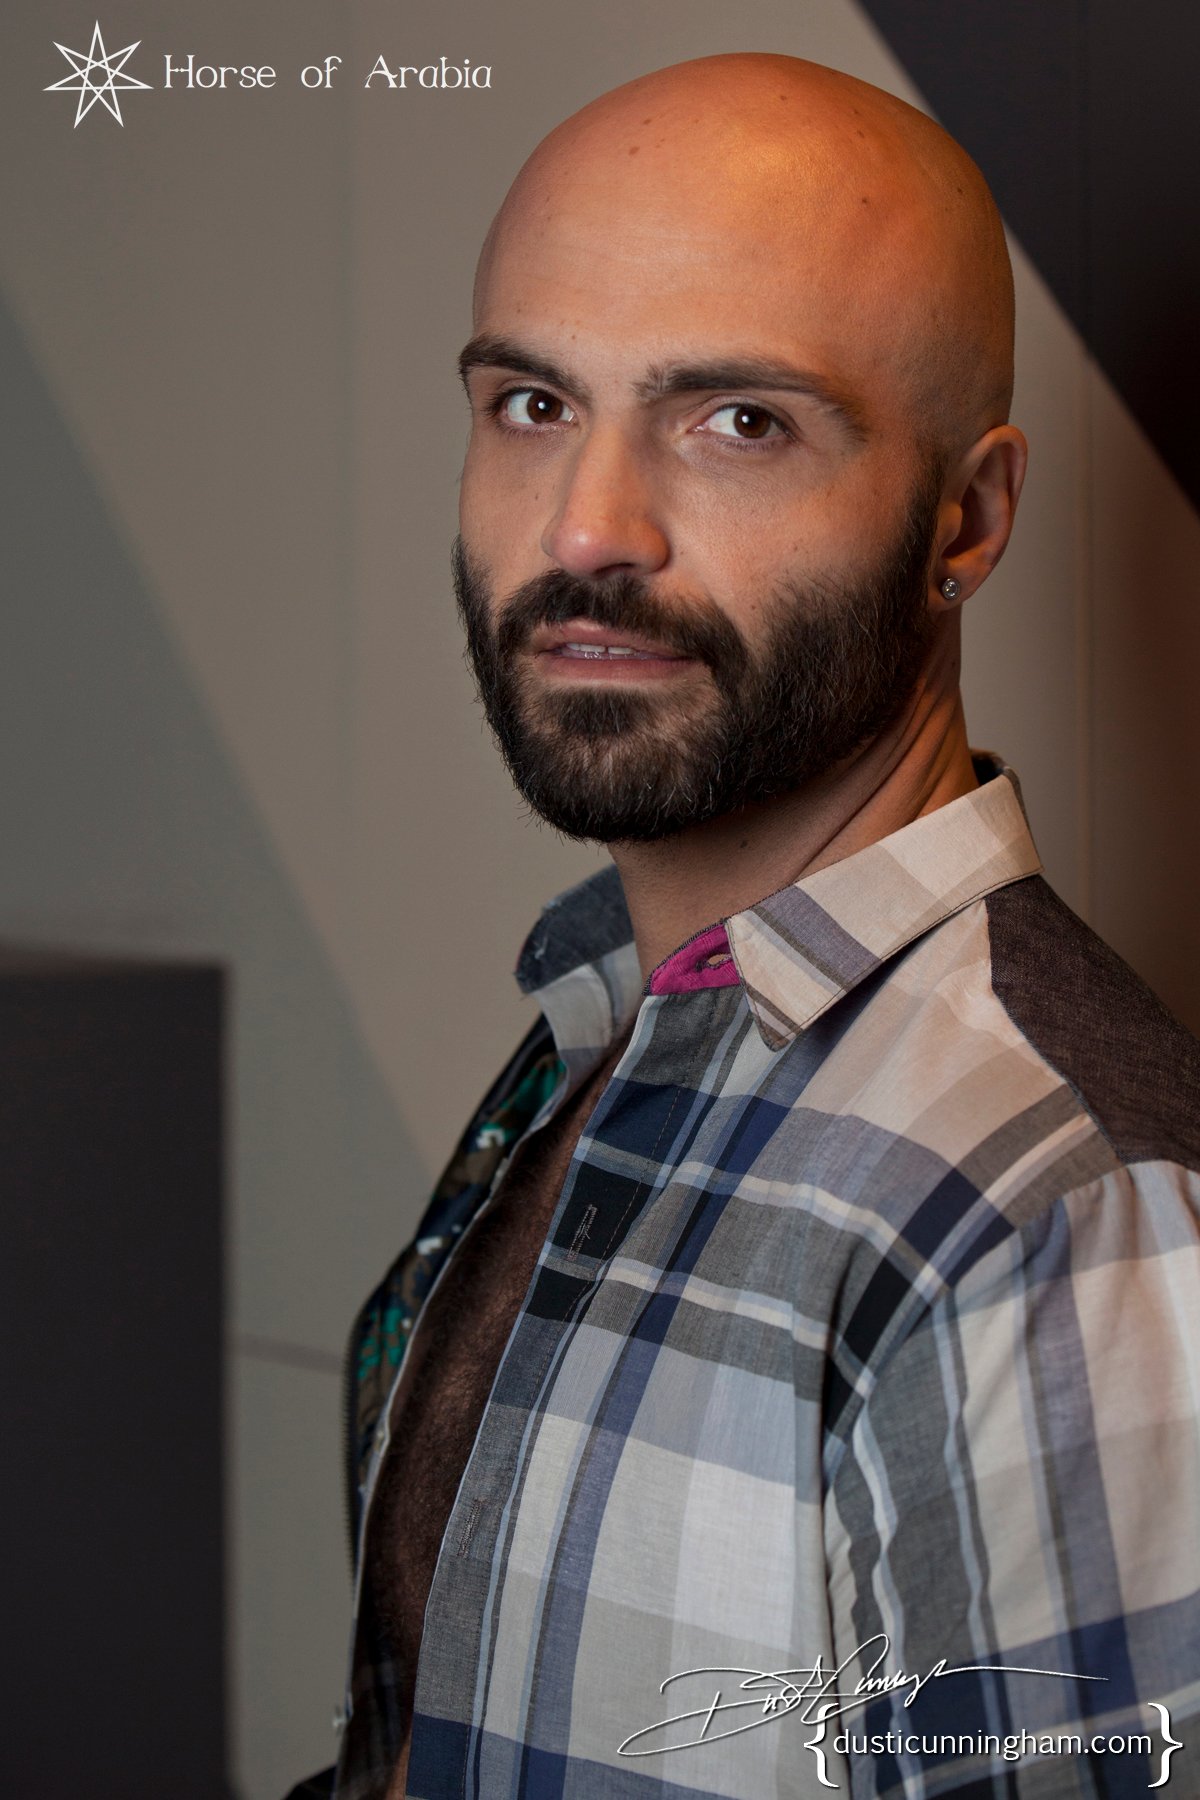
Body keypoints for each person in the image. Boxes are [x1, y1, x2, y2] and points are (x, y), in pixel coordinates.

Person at [298, 51, 1200, 1800]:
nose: (587, 528)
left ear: (966, 518)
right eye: (532, 403)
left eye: (740, 422)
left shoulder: (1059, 1221)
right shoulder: (614, 1028)